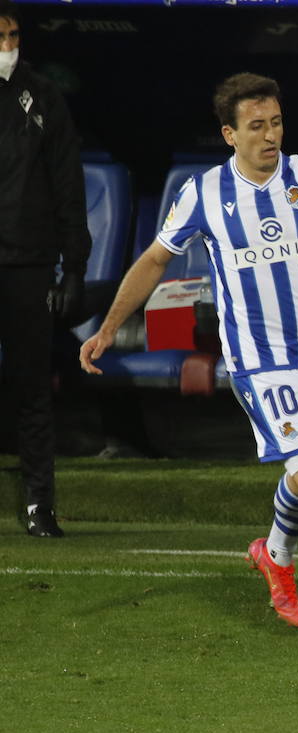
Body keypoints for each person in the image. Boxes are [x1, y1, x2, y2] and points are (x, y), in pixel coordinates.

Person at [79, 73, 298, 657]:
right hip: (259, 368)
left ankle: (273, 554)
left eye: (277, 123)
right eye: (256, 127)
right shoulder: (204, 193)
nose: (270, 136)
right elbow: (155, 261)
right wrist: (109, 326)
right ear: (229, 134)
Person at [0, 0, 90, 537]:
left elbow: (67, 186)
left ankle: (40, 504)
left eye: (13, 35)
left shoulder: (44, 97)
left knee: (32, 385)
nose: (8, 46)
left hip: (28, 265)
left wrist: (73, 267)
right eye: (1, 36)